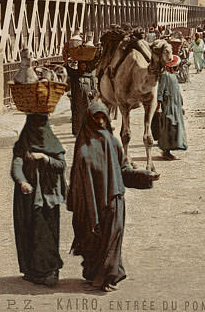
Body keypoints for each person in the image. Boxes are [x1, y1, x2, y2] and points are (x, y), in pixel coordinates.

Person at [67, 101, 133, 291]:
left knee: (112, 237)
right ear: (90, 119)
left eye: (104, 117)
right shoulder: (83, 146)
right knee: (94, 239)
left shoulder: (112, 142)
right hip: (90, 204)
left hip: (113, 197)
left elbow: (123, 168)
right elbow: (77, 179)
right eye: (97, 117)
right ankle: (94, 273)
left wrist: (143, 177)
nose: (101, 121)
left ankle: (108, 277)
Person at [12, 111, 67, 286]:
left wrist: (44, 158)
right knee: (31, 231)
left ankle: (51, 270)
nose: (38, 128)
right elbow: (16, 165)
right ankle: (34, 271)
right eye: (35, 123)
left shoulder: (53, 143)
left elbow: (61, 165)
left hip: (50, 197)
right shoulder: (24, 143)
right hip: (29, 198)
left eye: (41, 123)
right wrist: (22, 182)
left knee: (47, 233)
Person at [151, 54, 187, 159]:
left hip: (176, 106)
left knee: (175, 127)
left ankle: (170, 150)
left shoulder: (174, 76)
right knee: (168, 127)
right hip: (168, 106)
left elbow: (177, 92)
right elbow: (160, 92)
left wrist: (181, 105)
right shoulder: (165, 75)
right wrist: (158, 106)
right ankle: (166, 151)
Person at [64, 40, 98, 138]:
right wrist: (66, 59)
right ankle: (78, 132)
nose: (83, 67)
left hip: (87, 100)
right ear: (79, 66)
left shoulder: (90, 75)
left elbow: (94, 89)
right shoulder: (75, 75)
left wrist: (92, 92)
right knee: (78, 116)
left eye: (84, 66)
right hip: (77, 100)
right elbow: (68, 68)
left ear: (86, 66)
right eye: (81, 65)